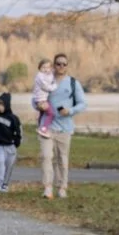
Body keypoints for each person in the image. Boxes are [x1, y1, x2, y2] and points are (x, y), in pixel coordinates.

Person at [40, 54, 86, 199]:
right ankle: (47, 188)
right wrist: (38, 105)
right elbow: (35, 97)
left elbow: (82, 104)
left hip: (65, 127)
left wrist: (70, 111)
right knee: (47, 157)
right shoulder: (46, 80)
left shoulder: (73, 83)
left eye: (64, 64)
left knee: (62, 159)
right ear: (53, 65)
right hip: (46, 126)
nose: (61, 66)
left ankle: (62, 187)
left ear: (67, 66)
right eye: (58, 64)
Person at [0, 92, 22, 192]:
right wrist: (2, 98)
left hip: (10, 146)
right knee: (0, 162)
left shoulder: (13, 118)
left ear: (7, 105)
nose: (0, 106)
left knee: (8, 166)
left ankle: (5, 184)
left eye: (2, 104)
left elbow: (18, 132)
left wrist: (16, 142)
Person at [33, 58, 58, 137]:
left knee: (42, 114)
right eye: (43, 67)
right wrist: (55, 86)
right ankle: (44, 129)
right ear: (39, 68)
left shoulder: (47, 75)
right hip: (41, 100)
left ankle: (40, 127)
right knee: (51, 113)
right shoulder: (39, 76)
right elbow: (46, 87)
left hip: (42, 99)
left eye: (48, 67)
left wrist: (54, 72)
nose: (46, 69)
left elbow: (51, 76)